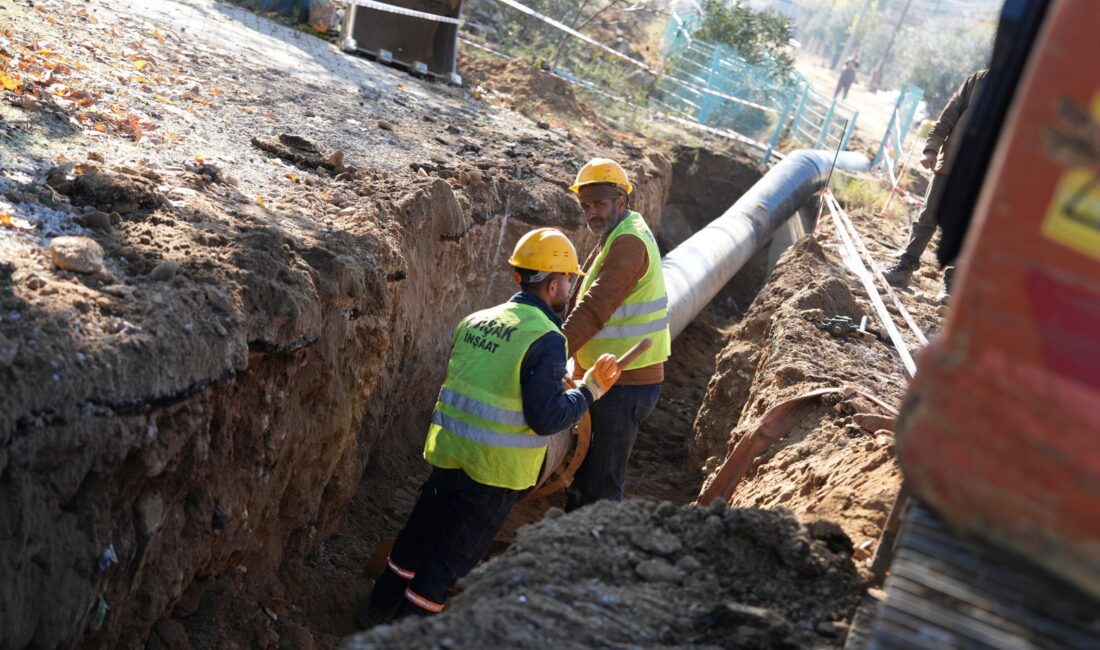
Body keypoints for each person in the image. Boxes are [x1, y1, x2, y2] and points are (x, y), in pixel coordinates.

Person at [357, 228, 623, 625]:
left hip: (449, 456)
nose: (570, 286)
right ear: (552, 284)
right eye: (568, 279)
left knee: (416, 539)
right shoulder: (547, 339)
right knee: (448, 562)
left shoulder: (475, 321)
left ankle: (376, 609)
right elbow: (547, 418)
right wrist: (590, 391)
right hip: (493, 472)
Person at [561, 158, 671, 511]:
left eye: (600, 204)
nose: (592, 212)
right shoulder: (619, 233)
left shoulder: (628, 243)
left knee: (599, 488)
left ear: (621, 201)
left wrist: (550, 351)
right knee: (585, 478)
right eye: (586, 205)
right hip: (606, 380)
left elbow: (594, 308)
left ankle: (591, 557)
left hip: (624, 385)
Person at [883, 68, 988, 301]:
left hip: (982, 176)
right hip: (950, 164)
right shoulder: (978, 80)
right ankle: (905, 268)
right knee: (927, 217)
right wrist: (931, 149)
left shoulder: (1021, 93)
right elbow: (948, 116)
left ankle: (950, 286)